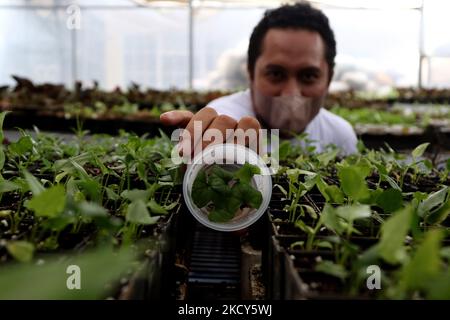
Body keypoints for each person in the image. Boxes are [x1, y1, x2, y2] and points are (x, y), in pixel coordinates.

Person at [160, 2, 357, 156]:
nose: (291, 94)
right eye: (276, 74)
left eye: (308, 76)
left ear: (329, 78)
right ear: (251, 73)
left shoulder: (339, 136)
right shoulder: (223, 121)